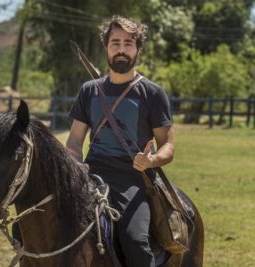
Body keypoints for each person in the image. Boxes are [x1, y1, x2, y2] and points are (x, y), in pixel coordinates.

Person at [66, 15, 174, 267]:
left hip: (132, 179)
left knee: (134, 241)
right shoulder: (89, 90)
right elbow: (73, 141)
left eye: (128, 43)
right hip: (90, 176)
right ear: (106, 47)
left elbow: (168, 146)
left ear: (137, 49)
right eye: (115, 43)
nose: (122, 49)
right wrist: (76, 166)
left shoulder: (152, 93)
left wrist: (152, 160)